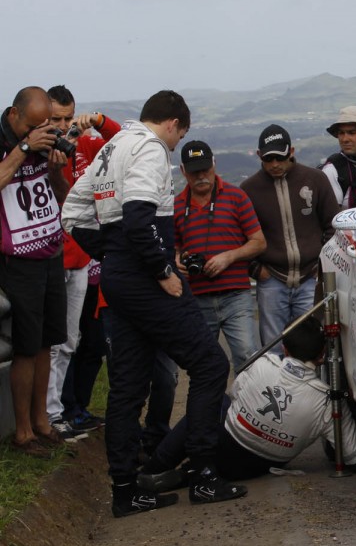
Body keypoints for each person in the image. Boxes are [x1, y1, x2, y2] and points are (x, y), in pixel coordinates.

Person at [62, 90, 246, 517]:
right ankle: (203, 475)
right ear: (174, 125)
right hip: (145, 274)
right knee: (210, 365)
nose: (174, 145)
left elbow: (72, 214)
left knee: (127, 387)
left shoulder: (111, 148)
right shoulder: (148, 148)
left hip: (119, 276)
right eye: (178, 138)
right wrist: (163, 273)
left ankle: (125, 491)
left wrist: (109, 254)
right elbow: (141, 218)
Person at [137, 317, 356, 490]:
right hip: (259, 465)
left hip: (227, 441)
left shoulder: (263, 363)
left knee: (212, 403)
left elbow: (236, 395)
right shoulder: (327, 401)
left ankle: (155, 467)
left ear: (284, 348)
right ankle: (185, 474)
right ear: (322, 356)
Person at [45, 84, 120, 439]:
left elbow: (120, 142)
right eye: (54, 119)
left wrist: (97, 122)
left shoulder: (86, 145)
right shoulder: (37, 151)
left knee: (71, 342)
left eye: (66, 118)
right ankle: (50, 413)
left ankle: (61, 411)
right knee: (52, 342)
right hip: (49, 256)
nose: (61, 127)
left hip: (81, 258)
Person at [0, 86, 70, 458]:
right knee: (26, 346)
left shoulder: (43, 142)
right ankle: (22, 432)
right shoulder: (10, 142)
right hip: (18, 258)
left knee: (47, 341)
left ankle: (42, 421)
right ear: (13, 115)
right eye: (32, 126)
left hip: (50, 247)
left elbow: (60, 195)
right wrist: (24, 148)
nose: (39, 132)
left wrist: (56, 170)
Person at [240, 124, 338, 348]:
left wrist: (321, 264)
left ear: (291, 152)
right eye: (268, 159)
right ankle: (275, 384)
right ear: (259, 156)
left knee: (312, 344)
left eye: (280, 157)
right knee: (273, 346)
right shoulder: (249, 189)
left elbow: (333, 224)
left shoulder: (315, 179)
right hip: (271, 279)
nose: (275, 164)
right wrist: (256, 270)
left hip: (310, 277)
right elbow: (240, 236)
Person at [174, 140, 266, 374]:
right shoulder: (175, 206)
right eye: (195, 171)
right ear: (183, 171)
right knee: (202, 363)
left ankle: (247, 408)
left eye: (205, 169)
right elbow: (171, 249)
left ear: (214, 164)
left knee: (247, 355)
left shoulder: (236, 197)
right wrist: (176, 261)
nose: (201, 176)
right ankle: (209, 410)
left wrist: (229, 257)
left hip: (235, 295)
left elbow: (258, 242)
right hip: (196, 298)